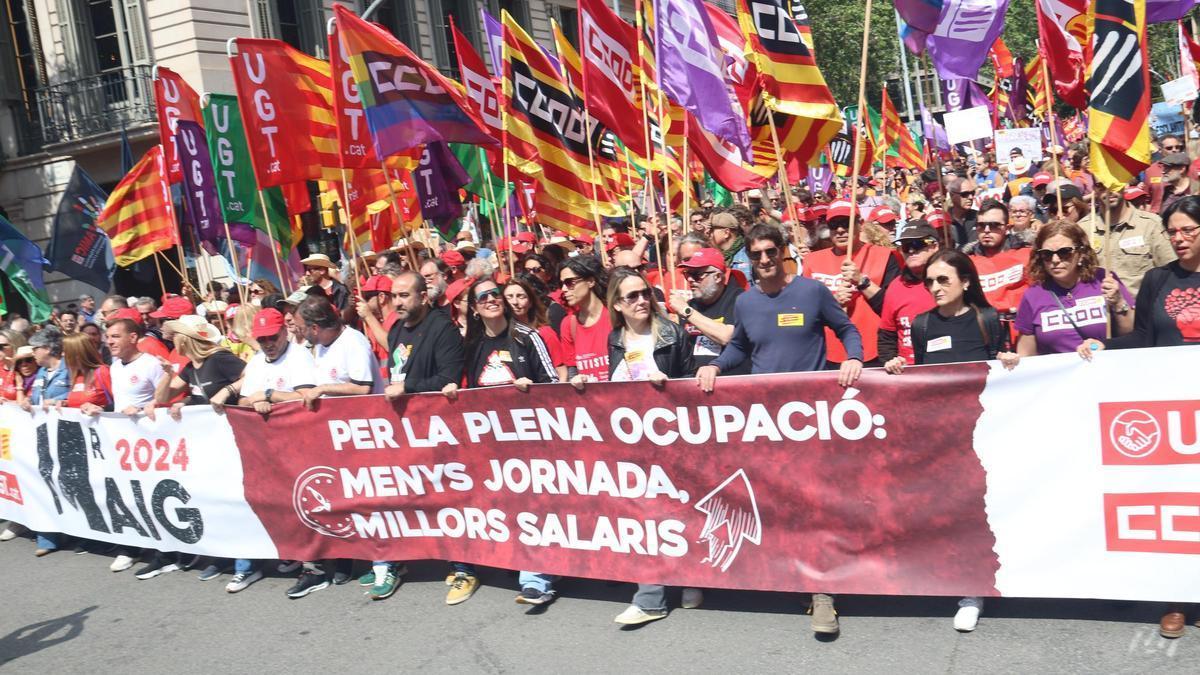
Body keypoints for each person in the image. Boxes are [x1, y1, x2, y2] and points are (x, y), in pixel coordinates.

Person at [696, 224, 862, 636]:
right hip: (766, 422)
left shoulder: (811, 292)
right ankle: (792, 575)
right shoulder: (747, 302)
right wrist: (716, 364)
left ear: (783, 251)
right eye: (756, 255)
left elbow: (847, 329)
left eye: (771, 251)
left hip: (809, 420)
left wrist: (854, 357)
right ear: (749, 259)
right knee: (778, 503)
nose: (765, 260)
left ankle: (822, 592)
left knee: (813, 504)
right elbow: (740, 346)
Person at [601, 267, 695, 625]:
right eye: (632, 296)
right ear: (617, 304)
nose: (642, 300)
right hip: (631, 444)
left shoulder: (672, 333)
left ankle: (689, 579)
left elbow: (692, 385)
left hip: (670, 440)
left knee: (678, 514)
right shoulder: (615, 339)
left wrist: (670, 388)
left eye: (645, 293)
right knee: (644, 518)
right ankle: (652, 597)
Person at [461, 278, 560, 607]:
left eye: (495, 294)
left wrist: (532, 390)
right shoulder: (473, 346)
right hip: (494, 444)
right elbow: (470, 393)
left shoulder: (526, 336)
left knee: (532, 507)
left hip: (532, 440)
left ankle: (536, 581)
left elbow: (552, 385)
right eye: (483, 297)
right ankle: (528, 561)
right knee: (508, 507)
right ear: (475, 308)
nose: (491, 299)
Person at [381, 271, 466, 603]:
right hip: (404, 429)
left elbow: (448, 377)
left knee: (448, 499)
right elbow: (395, 374)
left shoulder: (442, 328)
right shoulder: (396, 330)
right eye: (394, 295)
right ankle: (401, 559)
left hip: (438, 429)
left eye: (404, 295)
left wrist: (408, 388)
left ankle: (463, 566)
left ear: (423, 296)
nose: (397, 302)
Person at [104, 317, 170, 577]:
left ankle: (165, 551)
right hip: (124, 444)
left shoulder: (151, 364)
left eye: (115, 336)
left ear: (133, 338)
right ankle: (132, 547)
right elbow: (120, 403)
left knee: (152, 495)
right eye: (108, 337)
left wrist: (142, 409)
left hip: (150, 444)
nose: (109, 341)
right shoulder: (114, 367)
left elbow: (166, 400)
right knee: (127, 495)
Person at [803, 200, 901, 367]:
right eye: (834, 225)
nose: (840, 230)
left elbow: (894, 308)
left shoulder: (885, 256)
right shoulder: (812, 260)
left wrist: (861, 281)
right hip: (828, 353)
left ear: (860, 224)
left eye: (846, 223)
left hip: (874, 351)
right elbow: (804, 310)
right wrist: (832, 303)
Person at [1013, 221, 1134, 356]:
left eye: (1064, 252)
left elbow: (1131, 334)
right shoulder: (1033, 295)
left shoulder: (1104, 279)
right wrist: (1012, 360)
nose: (1055, 260)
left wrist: (1118, 302)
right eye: (1047, 254)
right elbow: (1026, 355)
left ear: (1081, 254)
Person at [18, 327, 69, 557]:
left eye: (36, 349)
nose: (33, 354)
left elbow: (76, 397)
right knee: (42, 485)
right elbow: (35, 398)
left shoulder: (68, 369)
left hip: (65, 438)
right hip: (41, 438)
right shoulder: (40, 373)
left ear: (47, 349)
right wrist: (28, 402)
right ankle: (47, 538)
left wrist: (62, 401)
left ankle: (81, 535)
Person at [1078, 183, 1176, 295]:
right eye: (1102, 186)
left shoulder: (1151, 225)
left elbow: (1171, 272)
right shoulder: (1083, 229)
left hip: (1139, 303)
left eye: (1114, 184)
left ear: (1124, 185)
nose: (1109, 191)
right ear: (1095, 189)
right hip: (1099, 303)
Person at [667, 247, 750, 374]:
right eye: (687, 274)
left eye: (697, 275)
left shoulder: (738, 299)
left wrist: (687, 311)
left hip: (728, 379)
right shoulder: (691, 305)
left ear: (717, 277)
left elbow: (727, 336)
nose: (690, 279)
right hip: (695, 380)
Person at [963, 199, 1031, 339]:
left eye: (994, 225)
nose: (987, 230)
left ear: (1007, 228)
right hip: (982, 332)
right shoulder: (966, 262)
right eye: (981, 225)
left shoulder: (1027, 254)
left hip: (1021, 331)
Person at [877, 222, 939, 365]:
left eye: (917, 244)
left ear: (934, 246)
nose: (911, 250)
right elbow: (886, 337)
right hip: (908, 371)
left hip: (946, 367)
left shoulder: (950, 281)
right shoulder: (895, 287)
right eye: (905, 246)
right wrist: (890, 361)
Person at [559, 256, 613, 385]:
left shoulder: (615, 317)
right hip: (589, 396)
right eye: (562, 284)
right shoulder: (568, 324)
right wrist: (575, 380)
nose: (563, 289)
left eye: (570, 282)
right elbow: (572, 369)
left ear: (590, 281)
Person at [503, 277, 568, 382]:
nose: (515, 302)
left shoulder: (545, 333)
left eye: (521, 296)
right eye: (509, 297)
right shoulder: (502, 334)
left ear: (530, 302)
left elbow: (561, 371)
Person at [709, 211, 752, 281]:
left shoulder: (748, 255)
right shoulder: (721, 256)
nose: (709, 233)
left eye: (712, 230)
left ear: (726, 233)